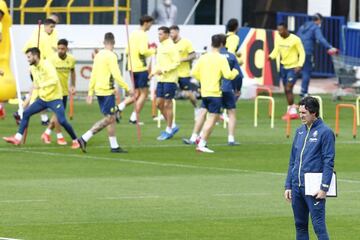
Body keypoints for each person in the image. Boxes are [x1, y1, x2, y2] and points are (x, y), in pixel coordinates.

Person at [3, 47, 80, 148]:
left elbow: (54, 81)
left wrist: (41, 85)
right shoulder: (33, 68)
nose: (28, 59)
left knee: (62, 121)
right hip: (43, 99)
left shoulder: (47, 65)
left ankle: (76, 140)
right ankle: (17, 138)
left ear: (35, 56)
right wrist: (32, 101)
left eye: (29, 57)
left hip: (55, 99)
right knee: (26, 113)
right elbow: (36, 85)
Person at [284, 96, 335, 240]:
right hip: (297, 187)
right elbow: (293, 160)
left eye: (304, 113)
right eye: (300, 112)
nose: (301, 116)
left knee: (319, 226)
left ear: (314, 113)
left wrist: (324, 188)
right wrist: (288, 185)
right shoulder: (300, 131)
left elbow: (328, 161)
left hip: (314, 188)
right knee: (300, 225)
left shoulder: (325, 132)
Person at [183, 34, 239, 153]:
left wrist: (203, 79)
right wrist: (235, 71)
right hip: (215, 92)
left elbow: (193, 73)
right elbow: (228, 75)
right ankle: (202, 143)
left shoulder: (203, 57)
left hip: (205, 91)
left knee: (205, 113)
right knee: (213, 118)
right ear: (222, 45)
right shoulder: (221, 58)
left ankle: (197, 137)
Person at [78, 32, 131, 153]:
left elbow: (94, 74)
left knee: (111, 118)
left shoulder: (98, 55)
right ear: (114, 43)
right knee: (109, 119)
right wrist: (127, 88)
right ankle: (84, 138)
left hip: (99, 91)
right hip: (107, 91)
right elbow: (117, 75)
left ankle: (114, 146)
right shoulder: (112, 56)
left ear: (104, 42)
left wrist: (90, 93)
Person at [117, 15, 156, 125]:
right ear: (146, 23)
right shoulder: (143, 35)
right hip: (140, 67)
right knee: (144, 94)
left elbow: (126, 50)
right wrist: (153, 50)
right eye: (151, 24)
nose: (151, 26)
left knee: (137, 94)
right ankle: (134, 118)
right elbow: (143, 51)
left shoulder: (133, 33)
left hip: (131, 67)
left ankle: (119, 108)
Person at [40, 39, 76, 146]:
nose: (60, 50)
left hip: (64, 92)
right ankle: (59, 137)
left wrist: (73, 85)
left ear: (67, 49)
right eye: (59, 48)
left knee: (58, 114)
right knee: (59, 115)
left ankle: (46, 133)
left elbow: (73, 71)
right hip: (54, 92)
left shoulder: (71, 59)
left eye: (63, 49)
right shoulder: (51, 59)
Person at [23, 17, 58, 125]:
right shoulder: (40, 36)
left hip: (40, 70)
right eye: (51, 27)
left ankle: (42, 118)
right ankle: (21, 112)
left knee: (36, 93)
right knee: (35, 94)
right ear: (46, 26)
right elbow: (28, 51)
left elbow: (25, 49)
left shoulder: (39, 35)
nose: (52, 30)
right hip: (39, 71)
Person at [149, 26, 180, 140]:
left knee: (167, 104)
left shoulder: (172, 46)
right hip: (161, 79)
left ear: (167, 34)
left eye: (161, 34)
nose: (159, 36)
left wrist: (163, 70)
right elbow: (159, 63)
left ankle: (168, 129)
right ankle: (173, 126)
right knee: (158, 104)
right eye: (158, 34)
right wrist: (153, 72)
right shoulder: (160, 46)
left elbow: (176, 62)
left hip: (170, 79)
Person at [269, 22, 305, 120]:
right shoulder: (278, 38)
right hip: (283, 67)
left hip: (293, 68)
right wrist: (270, 57)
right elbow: (276, 50)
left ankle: (292, 111)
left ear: (286, 29)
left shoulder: (295, 39)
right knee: (286, 89)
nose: (279, 32)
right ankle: (291, 110)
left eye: (281, 30)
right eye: (278, 30)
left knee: (288, 88)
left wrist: (299, 65)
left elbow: (302, 52)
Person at [297, 13, 338, 97]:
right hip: (307, 51)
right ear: (318, 20)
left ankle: (289, 87)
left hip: (297, 50)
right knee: (306, 71)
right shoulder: (315, 27)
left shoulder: (303, 26)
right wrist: (330, 47)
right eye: (321, 21)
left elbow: (297, 36)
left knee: (295, 70)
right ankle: (303, 91)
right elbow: (320, 39)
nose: (320, 23)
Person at [169, 25, 199, 119]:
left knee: (189, 94)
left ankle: (196, 108)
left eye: (172, 33)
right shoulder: (169, 44)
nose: (171, 35)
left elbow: (193, 55)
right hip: (171, 73)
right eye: (170, 33)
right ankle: (166, 113)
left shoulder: (186, 43)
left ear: (177, 32)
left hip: (183, 73)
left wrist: (183, 59)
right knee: (167, 94)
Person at [219, 34, 242, 145]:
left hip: (213, 89)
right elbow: (238, 75)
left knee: (207, 112)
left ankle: (197, 137)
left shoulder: (210, 56)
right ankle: (231, 139)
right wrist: (237, 89)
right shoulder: (231, 56)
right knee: (232, 112)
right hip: (227, 88)